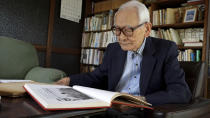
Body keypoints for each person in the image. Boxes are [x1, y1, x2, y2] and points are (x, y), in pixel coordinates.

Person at [56, 0, 191, 117]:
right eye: (117, 30)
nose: (121, 37)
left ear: (147, 29)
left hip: (140, 112)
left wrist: (140, 101)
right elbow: (97, 77)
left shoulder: (166, 50)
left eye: (128, 30)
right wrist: (69, 80)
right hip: (108, 108)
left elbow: (181, 92)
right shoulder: (113, 49)